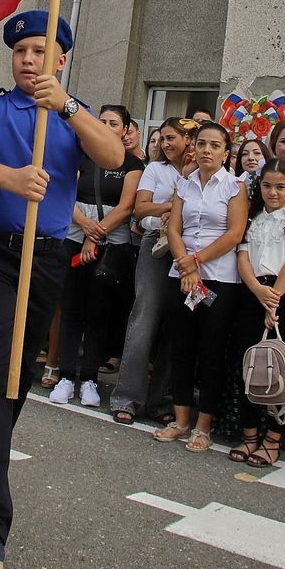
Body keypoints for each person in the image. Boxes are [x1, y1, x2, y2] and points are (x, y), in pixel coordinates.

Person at [0, 11, 123, 569]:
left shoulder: (74, 112)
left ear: (61, 58)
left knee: (14, 376)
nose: (28, 60)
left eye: (40, 51)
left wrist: (65, 105)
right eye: (20, 51)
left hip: (44, 258)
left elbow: (114, 157)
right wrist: (9, 178)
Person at [151, 121, 247, 453]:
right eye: (202, 144)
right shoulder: (185, 184)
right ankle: (180, 420)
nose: (206, 150)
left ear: (225, 151)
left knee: (211, 351)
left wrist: (197, 262)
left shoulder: (234, 186)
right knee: (181, 346)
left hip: (219, 277)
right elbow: (175, 229)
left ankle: (203, 426)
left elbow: (234, 234)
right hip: (182, 276)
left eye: (214, 145)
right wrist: (185, 265)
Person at [50, 104, 143, 408]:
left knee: (98, 312)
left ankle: (89, 378)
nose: (105, 126)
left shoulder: (132, 165)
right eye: (100, 121)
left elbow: (127, 206)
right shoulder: (82, 155)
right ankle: (65, 376)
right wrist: (86, 228)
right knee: (71, 306)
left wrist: (97, 233)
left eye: (113, 122)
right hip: (76, 232)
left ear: (125, 129)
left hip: (110, 242)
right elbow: (64, 194)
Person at [111, 116, 197, 426]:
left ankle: (160, 399)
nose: (166, 143)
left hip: (191, 250)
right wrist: (173, 206)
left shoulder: (201, 171)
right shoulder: (154, 169)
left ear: (189, 141)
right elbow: (140, 208)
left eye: (173, 138)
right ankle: (126, 397)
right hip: (156, 246)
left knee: (176, 327)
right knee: (144, 317)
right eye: (162, 138)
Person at [230, 159, 285, 468]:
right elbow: (243, 259)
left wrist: (273, 300)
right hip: (253, 293)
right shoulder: (252, 218)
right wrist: (258, 291)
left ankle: (273, 438)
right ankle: (249, 434)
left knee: (280, 367)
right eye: (267, 186)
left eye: (280, 187)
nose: (273, 193)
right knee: (248, 364)